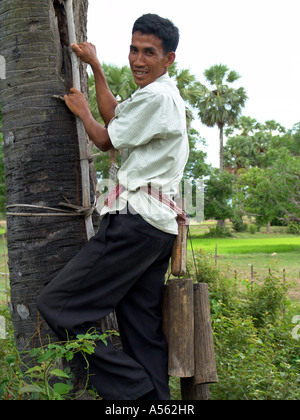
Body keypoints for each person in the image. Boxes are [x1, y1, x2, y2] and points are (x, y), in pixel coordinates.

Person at [37, 13, 189, 400]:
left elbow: (105, 138)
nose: (139, 60)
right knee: (141, 329)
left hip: (135, 223)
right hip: (158, 229)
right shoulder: (158, 96)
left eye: (149, 53)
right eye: (134, 50)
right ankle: (158, 404)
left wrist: (81, 110)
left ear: (169, 58)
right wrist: (97, 68)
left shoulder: (156, 97)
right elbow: (117, 118)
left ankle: (136, 395)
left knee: (58, 306)